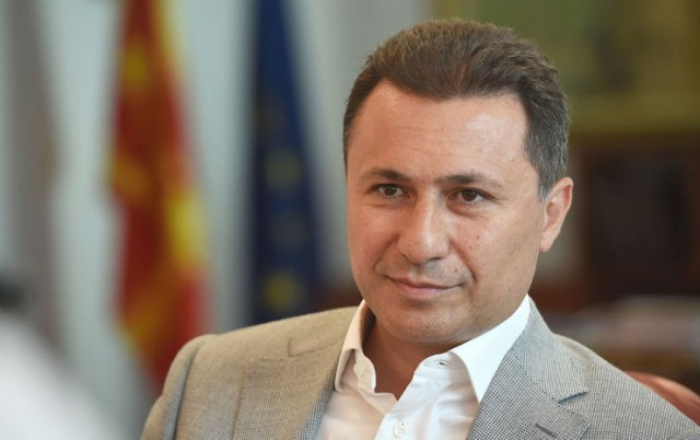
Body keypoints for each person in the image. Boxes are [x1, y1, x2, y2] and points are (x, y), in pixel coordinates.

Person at [141, 19, 700, 439]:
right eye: (389, 190)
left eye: (469, 196)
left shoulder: (645, 433)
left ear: (550, 215)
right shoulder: (209, 382)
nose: (420, 243)